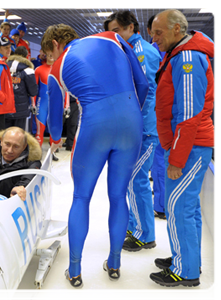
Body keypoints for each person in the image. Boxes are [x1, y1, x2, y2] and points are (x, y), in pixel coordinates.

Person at [42, 24, 148, 286]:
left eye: (48, 54)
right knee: (118, 195)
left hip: (94, 126)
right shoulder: (113, 38)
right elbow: (143, 84)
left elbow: (54, 124)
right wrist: (129, 114)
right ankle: (114, 264)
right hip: (132, 121)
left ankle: (75, 271)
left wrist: (55, 140)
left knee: (81, 197)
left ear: (56, 43)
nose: (49, 60)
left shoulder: (57, 68)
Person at [149, 9, 217, 287]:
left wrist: (176, 158)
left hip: (190, 147)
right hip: (187, 145)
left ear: (177, 30)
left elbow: (189, 114)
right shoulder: (179, 54)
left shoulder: (187, 58)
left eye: (158, 32)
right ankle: (186, 259)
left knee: (178, 208)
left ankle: (185, 271)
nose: (154, 39)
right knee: (186, 207)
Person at [104, 10, 162, 252]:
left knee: (136, 179)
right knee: (130, 179)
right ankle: (135, 224)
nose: (114, 35)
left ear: (131, 27)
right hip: (135, 128)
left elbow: (145, 92)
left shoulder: (142, 51)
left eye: (116, 30)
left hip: (145, 128)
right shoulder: (127, 50)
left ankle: (145, 234)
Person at [0, 126, 42, 200]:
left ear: (24, 147)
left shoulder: (32, 164)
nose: (10, 150)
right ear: (1, 141)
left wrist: (18, 188)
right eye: (7, 144)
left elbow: (28, 178)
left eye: (16, 147)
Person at [147, 15, 166, 219]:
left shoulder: (154, 50)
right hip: (162, 111)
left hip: (159, 112)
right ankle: (161, 200)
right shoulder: (169, 51)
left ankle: (161, 205)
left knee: (159, 157)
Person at [5, 46, 37, 130]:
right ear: (26, 56)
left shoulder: (4, 66)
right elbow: (33, 91)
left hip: (5, 107)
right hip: (21, 110)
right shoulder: (28, 70)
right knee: (18, 135)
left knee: (5, 135)